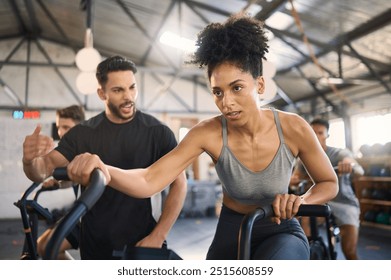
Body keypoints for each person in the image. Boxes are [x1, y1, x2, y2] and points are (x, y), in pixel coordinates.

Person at [65, 15, 338, 260]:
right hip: (232, 228)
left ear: (261, 85)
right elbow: (149, 180)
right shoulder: (207, 132)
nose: (226, 102)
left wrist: (300, 201)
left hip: (280, 228)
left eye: (237, 88)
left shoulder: (293, 128)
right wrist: (104, 168)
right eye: (218, 92)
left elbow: (328, 182)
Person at [22, 55, 187, 259]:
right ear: (102, 93)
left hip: (141, 240)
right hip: (94, 243)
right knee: (46, 247)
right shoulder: (82, 134)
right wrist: (30, 161)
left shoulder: (157, 132)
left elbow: (179, 184)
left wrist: (158, 236)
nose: (128, 97)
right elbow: (42, 170)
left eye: (132, 88)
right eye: (118, 90)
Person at [291, 118, 364, 260]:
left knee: (349, 251)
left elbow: (359, 170)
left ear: (327, 135)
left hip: (344, 203)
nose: (317, 136)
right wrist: (293, 179)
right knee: (305, 220)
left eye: (320, 133)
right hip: (319, 202)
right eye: (313, 132)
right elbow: (295, 178)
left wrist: (350, 165)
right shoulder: (303, 157)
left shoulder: (339, 153)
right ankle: (311, 252)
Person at [36, 105, 85, 259]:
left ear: (80, 127)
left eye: (66, 127)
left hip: (93, 217)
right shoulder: (69, 151)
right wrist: (57, 183)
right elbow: (73, 178)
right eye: (59, 127)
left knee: (51, 248)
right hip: (80, 214)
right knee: (41, 246)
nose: (61, 132)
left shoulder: (87, 149)